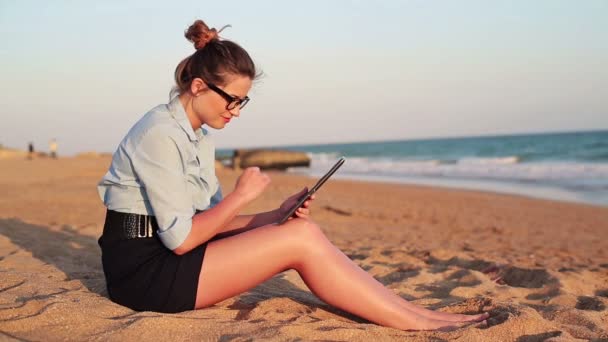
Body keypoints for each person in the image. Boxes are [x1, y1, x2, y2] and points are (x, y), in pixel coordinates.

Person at [96, 19, 488, 331]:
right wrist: (241, 196)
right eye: (232, 100)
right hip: (145, 274)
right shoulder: (160, 133)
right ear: (198, 87)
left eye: (243, 102)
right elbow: (182, 240)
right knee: (299, 240)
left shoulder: (198, 135)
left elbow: (212, 225)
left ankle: (406, 309)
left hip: (172, 256)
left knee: (301, 230)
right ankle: (410, 320)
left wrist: (273, 215)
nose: (236, 111)